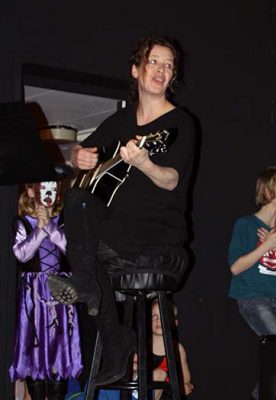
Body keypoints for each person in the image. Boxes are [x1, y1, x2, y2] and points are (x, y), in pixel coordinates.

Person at [48, 35, 195, 386]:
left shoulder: (180, 124)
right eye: (154, 61)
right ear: (136, 69)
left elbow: (172, 180)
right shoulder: (119, 122)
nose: (161, 70)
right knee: (77, 201)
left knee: (85, 253)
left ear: (172, 76)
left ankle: (113, 335)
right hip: (118, 239)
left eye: (168, 65)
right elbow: (81, 156)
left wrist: (145, 163)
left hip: (158, 241)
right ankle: (113, 338)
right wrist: (77, 157)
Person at [227, 166, 276, 400]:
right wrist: (266, 246)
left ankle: (262, 393)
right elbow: (235, 267)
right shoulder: (245, 225)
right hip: (253, 298)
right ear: (269, 192)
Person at [9, 180, 83, 400]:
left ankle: (58, 390)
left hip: (61, 293)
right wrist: (40, 228)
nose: (48, 194)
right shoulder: (23, 222)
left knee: (59, 343)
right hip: (34, 294)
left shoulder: (65, 221)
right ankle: (36, 390)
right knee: (34, 344)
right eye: (43, 189)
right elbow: (21, 254)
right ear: (31, 191)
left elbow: (72, 249)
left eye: (53, 189)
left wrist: (50, 225)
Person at [146, 299, 193, 400]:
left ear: (175, 323)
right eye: (154, 316)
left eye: (164, 316)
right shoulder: (142, 346)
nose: (159, 320)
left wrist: (185, 386)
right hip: (145, 393)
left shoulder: (178, 349)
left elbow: (186, 378)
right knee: (158, 375)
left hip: (169, 396)